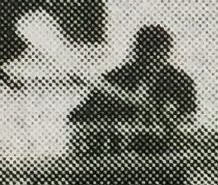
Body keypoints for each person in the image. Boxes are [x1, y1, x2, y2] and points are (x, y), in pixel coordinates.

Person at [68, 25, 198, 155]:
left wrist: (170, 123)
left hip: (165, 152)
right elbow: (77, 118)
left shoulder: (180, 81)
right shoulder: (115, 79)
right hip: (120, 155)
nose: (152, 60)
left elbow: (189, 117)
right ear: (137, 51)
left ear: (167, 52)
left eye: (159, 54)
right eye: (148, 53)